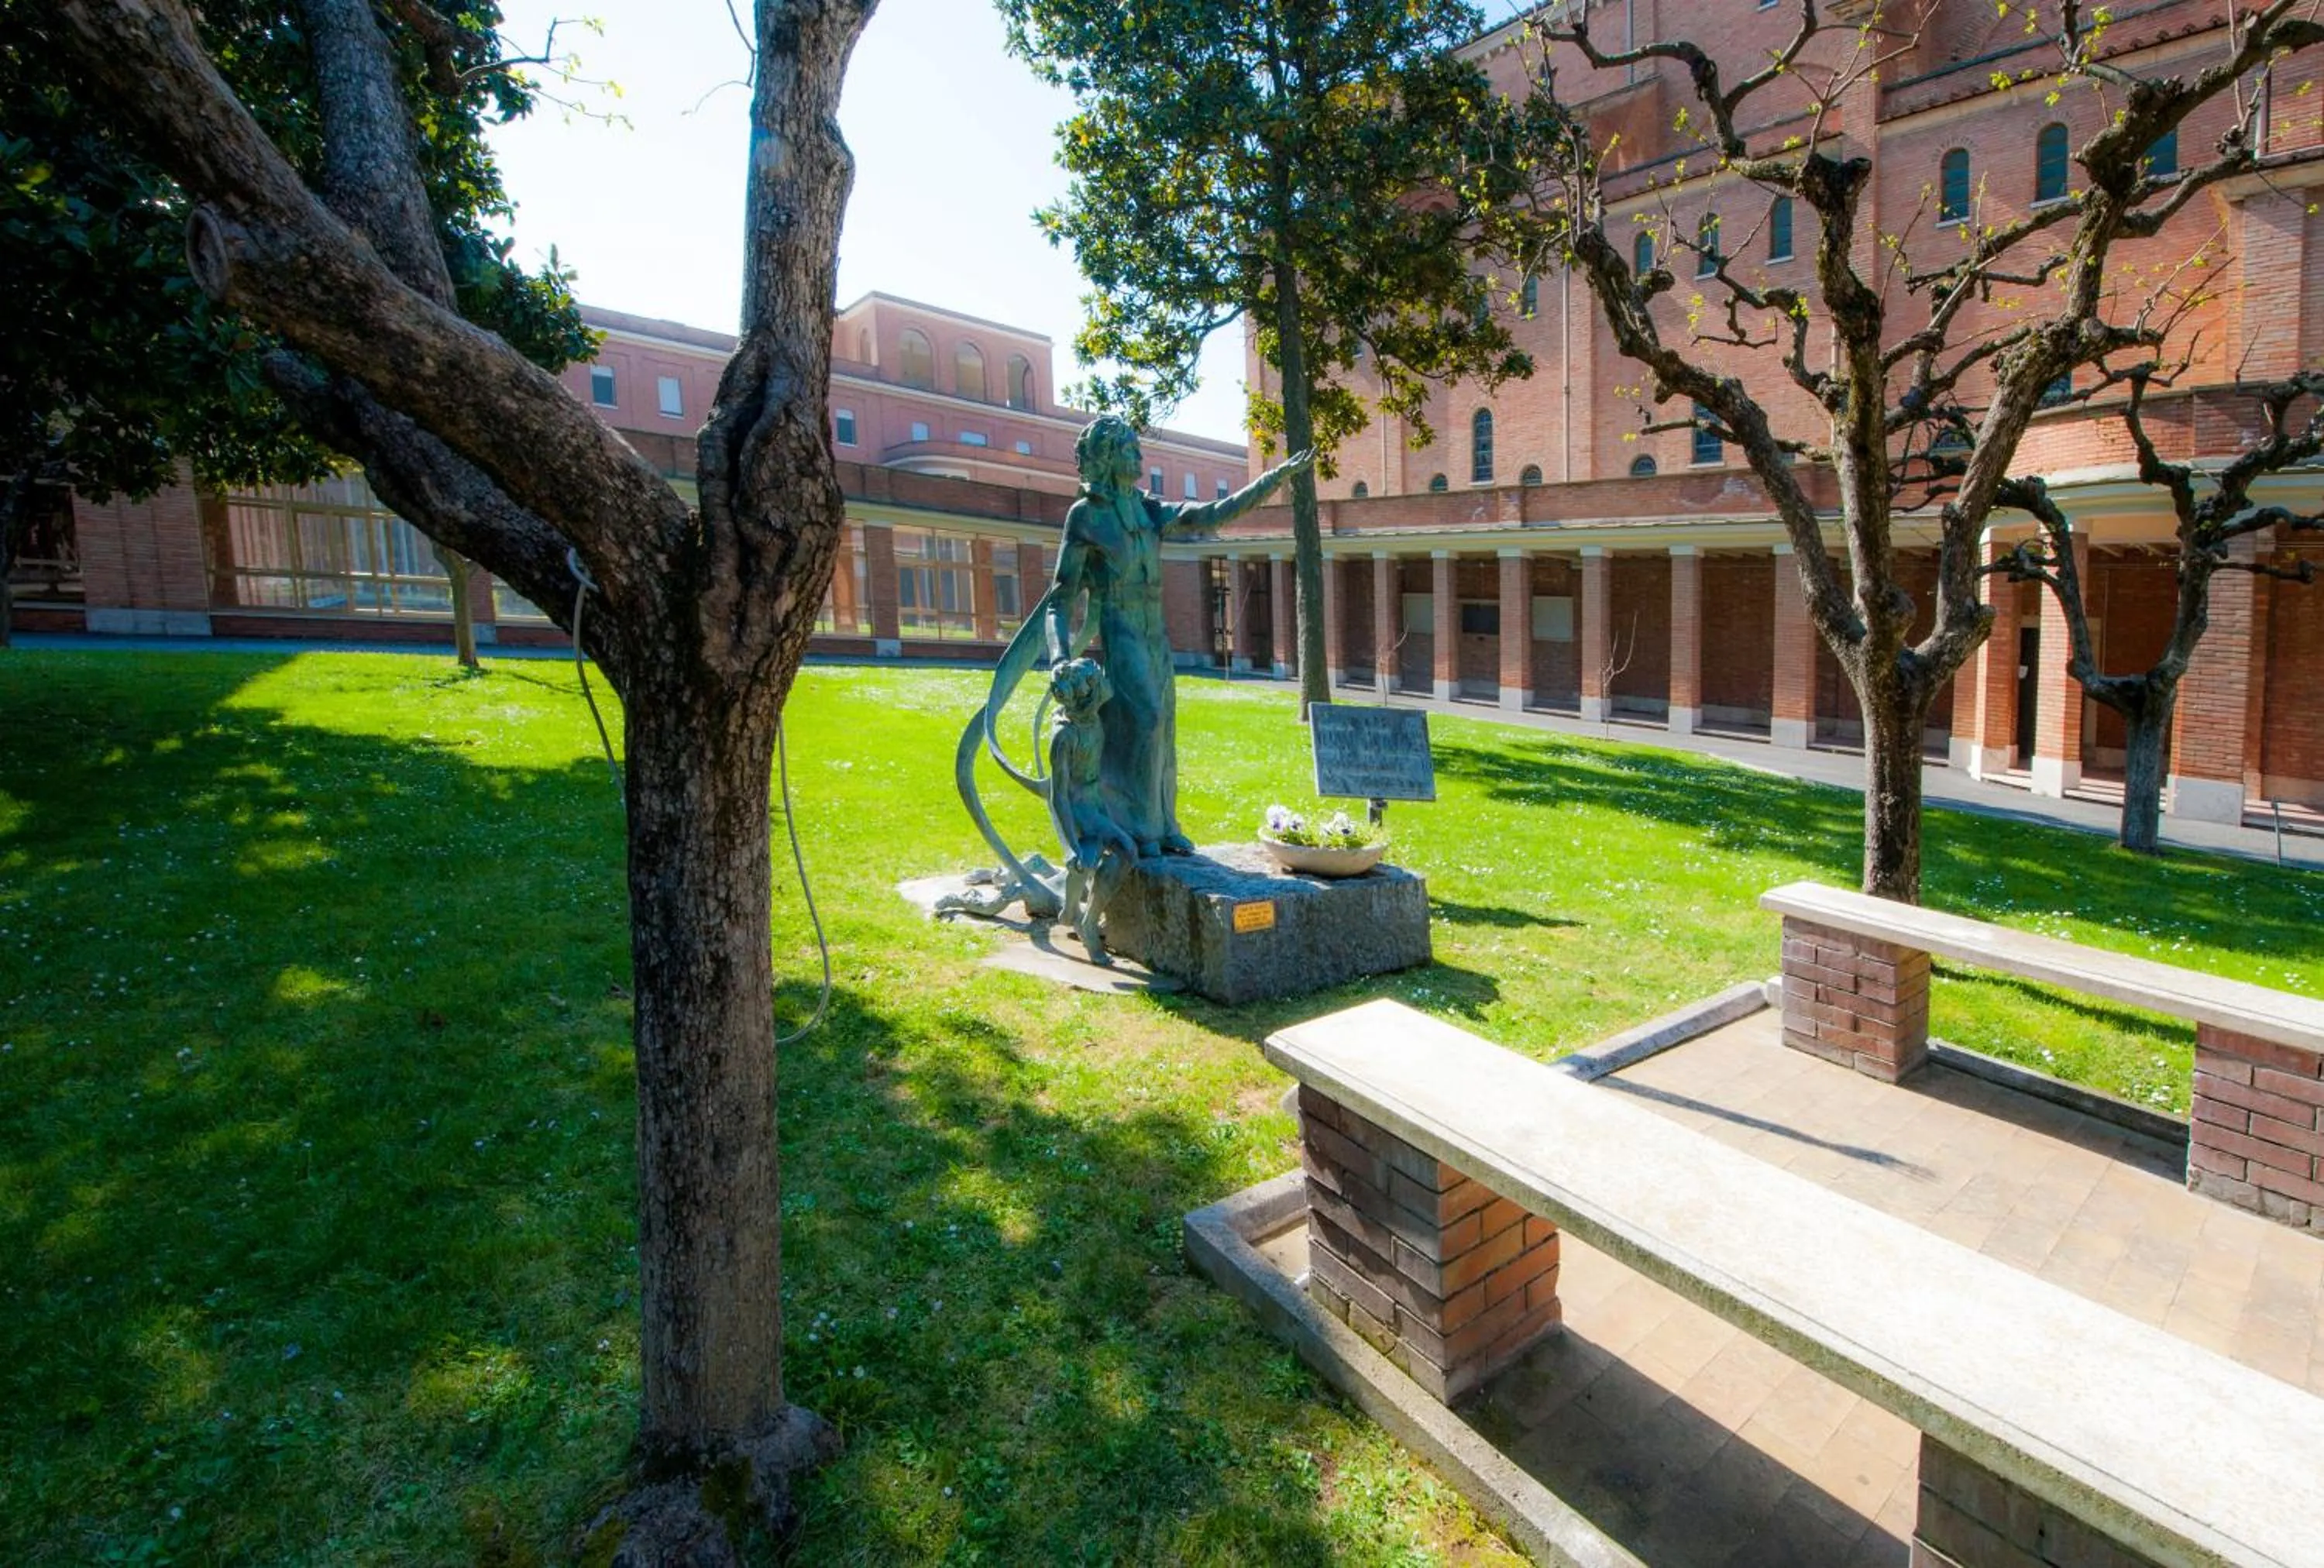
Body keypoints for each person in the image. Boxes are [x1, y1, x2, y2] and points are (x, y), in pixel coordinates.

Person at [1046, 416, 1313, 857]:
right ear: (1110, 457)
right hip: (1123, 630)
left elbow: (1210, 513)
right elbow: (1060, 599)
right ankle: (1140, 828)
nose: (1140, 456)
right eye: (1131, 450)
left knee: (1164, 727)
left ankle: (1165, 825)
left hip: (1157, 634)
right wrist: (1059, 660)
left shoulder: (1147, 509)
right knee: (1147, 720)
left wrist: (1272, 481)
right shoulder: (1086, 516)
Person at [1043, 658, 1137, 964]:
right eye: (1096, 683)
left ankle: (1079, 915)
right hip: (1078, 807)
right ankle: (1081, 918)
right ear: (1086, 692)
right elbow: (1058, 796)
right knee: (1093, 855)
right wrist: (1068, 844)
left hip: (1095, 801)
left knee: (1115, 852)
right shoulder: (1064, 736)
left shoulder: (1092, 719)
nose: (1102, 687)